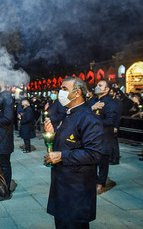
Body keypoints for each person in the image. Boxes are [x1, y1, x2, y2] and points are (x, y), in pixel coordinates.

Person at [44, 76, 103, 229]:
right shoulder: (67, 114)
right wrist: (51, 137)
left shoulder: (89, 118)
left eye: (64, 89)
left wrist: (62, 156)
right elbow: (64, 144)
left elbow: (94, 154)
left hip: (77, 189)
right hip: (62, 185)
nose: (60, 92)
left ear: (77, 93)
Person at [89, 80, 118, 194]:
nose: (97, 87)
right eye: (97, 85)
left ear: (107, 90)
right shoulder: (93, 100)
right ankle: (94, 180)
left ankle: (101, 183)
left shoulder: (110, 103)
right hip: (92, 136)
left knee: (102, 162)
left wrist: (95, 121)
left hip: (104, 136)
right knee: (91, 160)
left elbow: (110, 120)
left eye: (100, 86)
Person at [0, 81, 15, 201]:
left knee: (4, 165)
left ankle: (5, 192)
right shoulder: (1, 96)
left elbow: (7, 118)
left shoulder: (6, 97)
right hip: (0, 137)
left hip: (4, 137)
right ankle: (0, 188)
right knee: (1, 165)